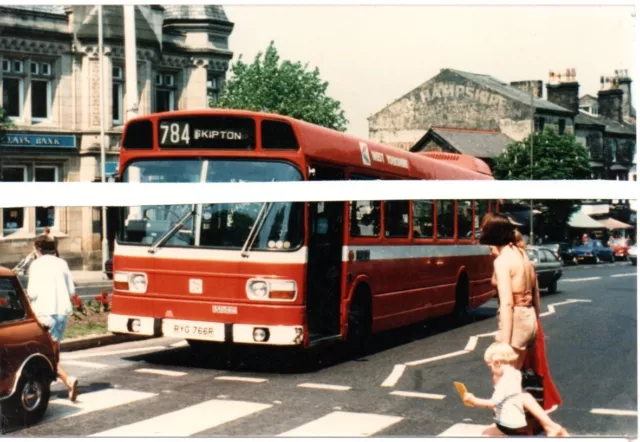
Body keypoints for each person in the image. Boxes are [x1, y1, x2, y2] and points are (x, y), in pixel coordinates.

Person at [463, 342, 568, 437]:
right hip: (519, 421)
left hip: (511, 426)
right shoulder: (515, 373)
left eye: (490, 367)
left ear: (497, 362)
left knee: (486, 434)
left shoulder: (505, 381)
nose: (491, 371)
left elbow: (493, 403)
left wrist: (474, 401)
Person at [480, 213, 537, 369]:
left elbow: (506, 303)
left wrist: (504, 344)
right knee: (516, 376)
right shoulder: (521, 253)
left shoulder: (502, 261)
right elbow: (534, 287)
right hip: (529, 318)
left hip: (515, 322)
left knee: (504, 377)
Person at [26, 235, 79, 402]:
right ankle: (48, 385)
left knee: (43, 353)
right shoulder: (62, 263)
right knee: (54, 350)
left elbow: (32, 292)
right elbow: (71, 290)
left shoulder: (35, 265)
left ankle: (66, 380)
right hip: (62, 312)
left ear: (37, 249)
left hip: (44, 312)